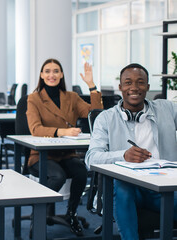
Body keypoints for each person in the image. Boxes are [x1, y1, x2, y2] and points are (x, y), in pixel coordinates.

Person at [85, 63, 177, 240]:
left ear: (148, 87)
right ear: (120, 87)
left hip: (162, 187)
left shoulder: (166, 109)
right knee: (123, 187)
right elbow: (91, 158)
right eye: (128, 83)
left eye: (140, 82)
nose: (134, 87)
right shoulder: (106, 118)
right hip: (125, 188)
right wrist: (123, 156)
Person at [26, 59, 103, 236]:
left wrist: (91, 85)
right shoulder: (34, 98)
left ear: (61, 74)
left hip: (67, 154)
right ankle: (37, 214)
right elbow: (35, 129)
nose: (51, 75)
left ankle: (71, 214)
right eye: (47, 71)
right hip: (41, 156)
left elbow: (96, 115)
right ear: (41, 75)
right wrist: (63, 131)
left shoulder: (71, 97)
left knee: (81, 172)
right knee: (57, 176)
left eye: (55, 71)